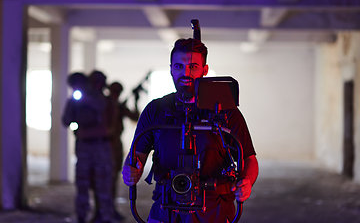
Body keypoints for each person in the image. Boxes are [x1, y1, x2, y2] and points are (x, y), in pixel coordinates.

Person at [122, 38, 259, 222]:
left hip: (213, 208)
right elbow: (136, 156)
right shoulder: (156, 110)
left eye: (193, 67)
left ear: (205, 70)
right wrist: (131, 171)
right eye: (179, 66)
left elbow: (249, 158)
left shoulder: (225, 111)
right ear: (171, 68)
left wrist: (247, 182)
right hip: (167, 208)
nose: (185, 73)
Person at [62, 71, 113, 223]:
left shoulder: (97, 96)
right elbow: (65, 120)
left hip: (100, 145)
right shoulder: (74, 100)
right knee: (82, 183)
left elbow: (101, 107)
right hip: (84, 146)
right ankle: (82, 215)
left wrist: (84, 99)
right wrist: (74, 104)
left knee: (103, 184)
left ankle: (105, 216)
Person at [108, 82, 140, 220]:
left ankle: (110, 209)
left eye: (118, 92)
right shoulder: (105, 105)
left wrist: (136, 101)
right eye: (114, 91)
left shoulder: (120, 107)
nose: (116, 94)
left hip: (115, 145)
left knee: (113, 178)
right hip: (105, 144)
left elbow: (135, 117)